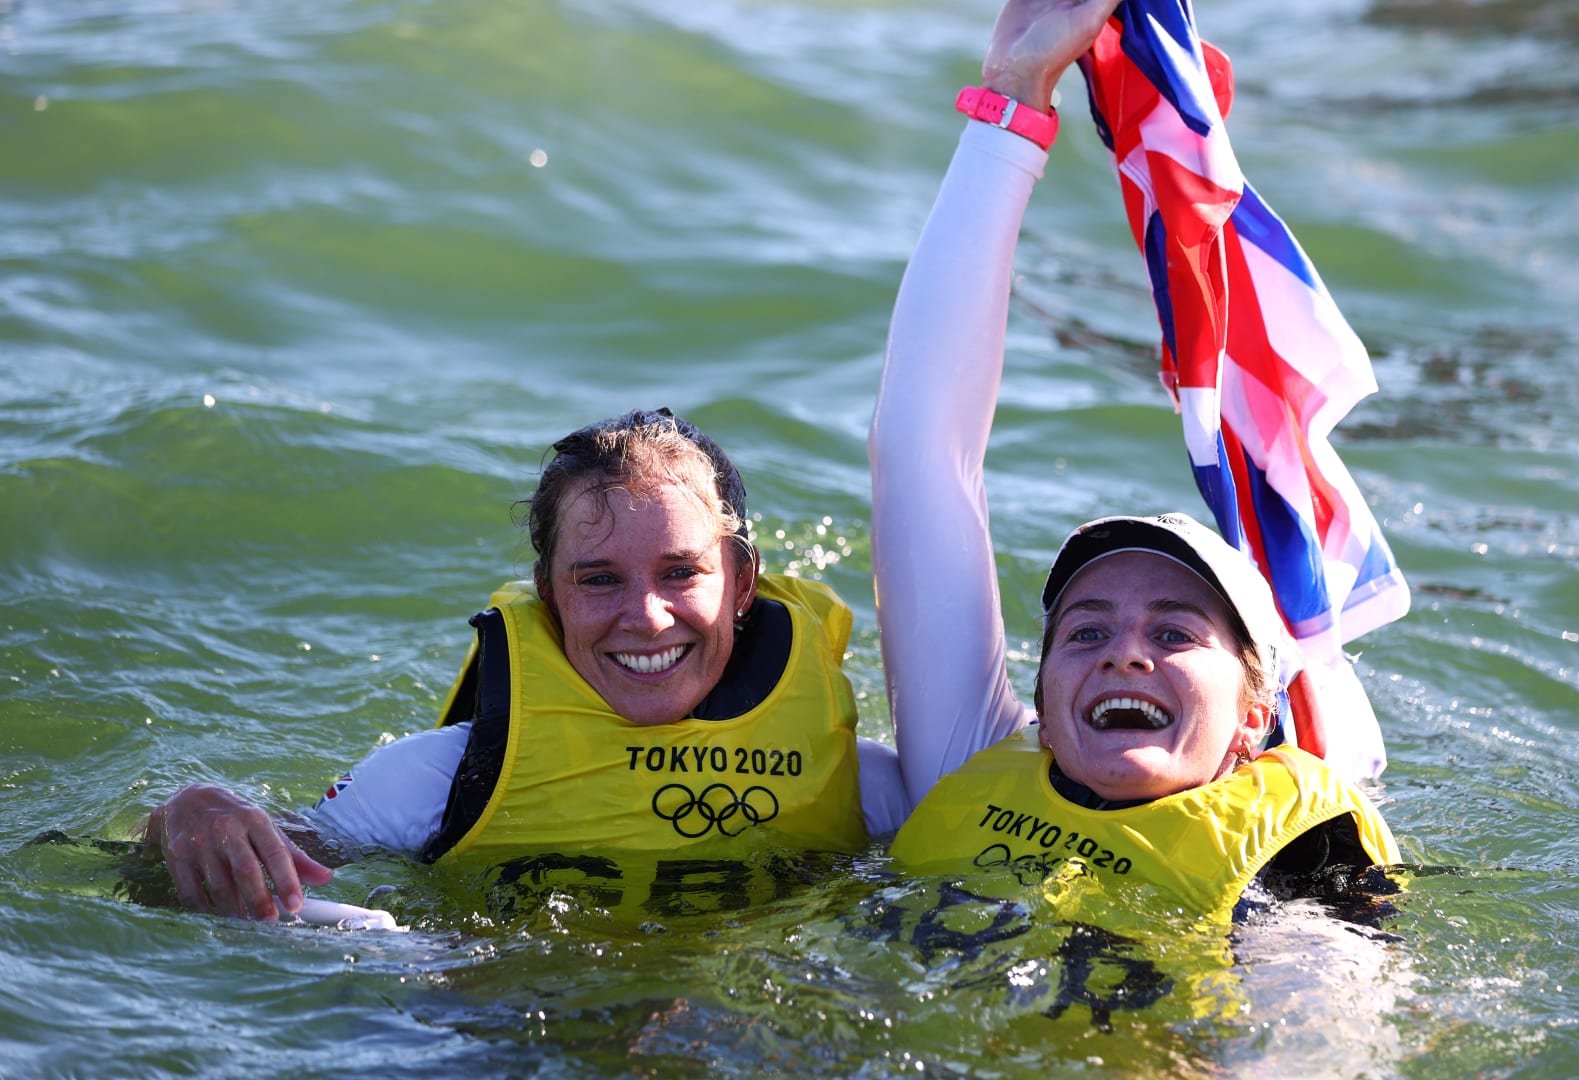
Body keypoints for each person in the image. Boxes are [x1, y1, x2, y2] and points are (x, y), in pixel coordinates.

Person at [870, 0, 1399, 922]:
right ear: (1038, 695)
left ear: (1251, 714)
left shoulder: (1297, 862)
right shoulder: (971, 763)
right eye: (1083, 633)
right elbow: (920, 450)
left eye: (1174, 634)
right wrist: (1013, 99)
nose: (1124, 654)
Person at [146, 408, 912, 920]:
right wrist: (185, 817)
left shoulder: (861, 786)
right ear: (549, 598)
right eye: (599, 578)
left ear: (742, 583)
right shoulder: (442, 779)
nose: (645, 615)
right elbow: (225, 870)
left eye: (681, 572)